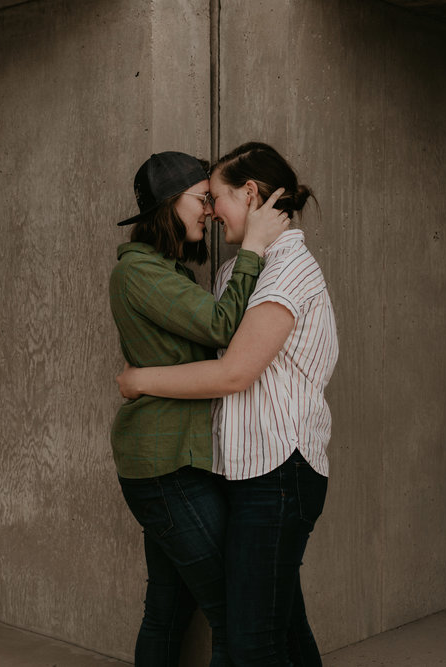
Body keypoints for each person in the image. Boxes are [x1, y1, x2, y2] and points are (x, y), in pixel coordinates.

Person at [117, 142, 339, 666]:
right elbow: (225, 338)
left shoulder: (285, 270)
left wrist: (142, 378)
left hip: (278, 471)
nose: (212, 211)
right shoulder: (228, 274)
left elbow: (234, 370)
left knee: (250, 637)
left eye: (215, 197)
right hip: (238, 470)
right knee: (268, 625)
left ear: (251, 193)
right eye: (202, 199)